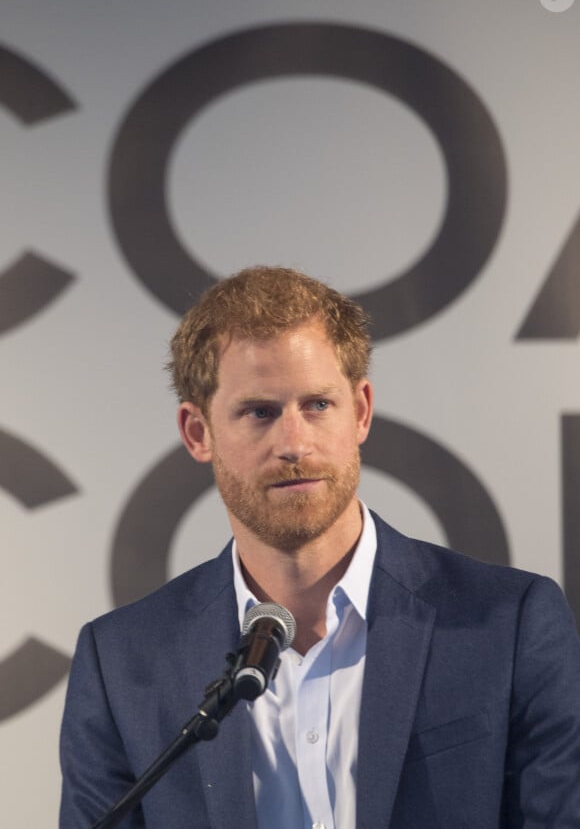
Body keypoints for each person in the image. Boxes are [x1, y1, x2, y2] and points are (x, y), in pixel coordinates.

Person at [60, 266, 580, 828]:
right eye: (259, 412)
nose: (294, 443)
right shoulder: (121, 663)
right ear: (197, 432)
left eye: (318, 405)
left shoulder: (509, 623)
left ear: (360, 411)